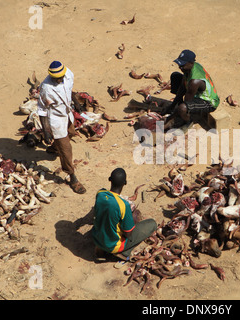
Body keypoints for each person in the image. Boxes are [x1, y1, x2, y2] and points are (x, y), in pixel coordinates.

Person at [37, 61, 86, 194]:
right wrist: (46, 131)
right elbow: (42, 111)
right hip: (55, 119)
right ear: (51, 77)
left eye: (61, 77)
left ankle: (54, 147)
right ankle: (72, 176)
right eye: (56, 78)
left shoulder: (68, 74)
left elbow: (69, 90)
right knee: (66, 149)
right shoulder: (46, 88)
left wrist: (76, 102)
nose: (60, 79)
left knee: (71, 133)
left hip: (67, 113)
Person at [92, 168, 157, 263]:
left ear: (109, 179)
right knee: (152, 224)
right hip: (113, 245)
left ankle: (100, 248)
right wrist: (132, 221)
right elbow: (128, 233)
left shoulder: (100, 193)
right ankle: (123, 252)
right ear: (125, 183)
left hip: (97, 238)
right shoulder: (123, 205)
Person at [163, 49, 220, 128]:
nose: (180, 67)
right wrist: (172, 106)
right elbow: (182, 87)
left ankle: (188, 120)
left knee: (182, 108)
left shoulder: (194, 81)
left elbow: (187, 103)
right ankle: (178, 110)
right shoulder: (190, 68)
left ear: (191, 63)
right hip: (195, 92)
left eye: (183, 65)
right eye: (179, 64)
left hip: (208, 103)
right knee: (175, 76)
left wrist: (170, 118)